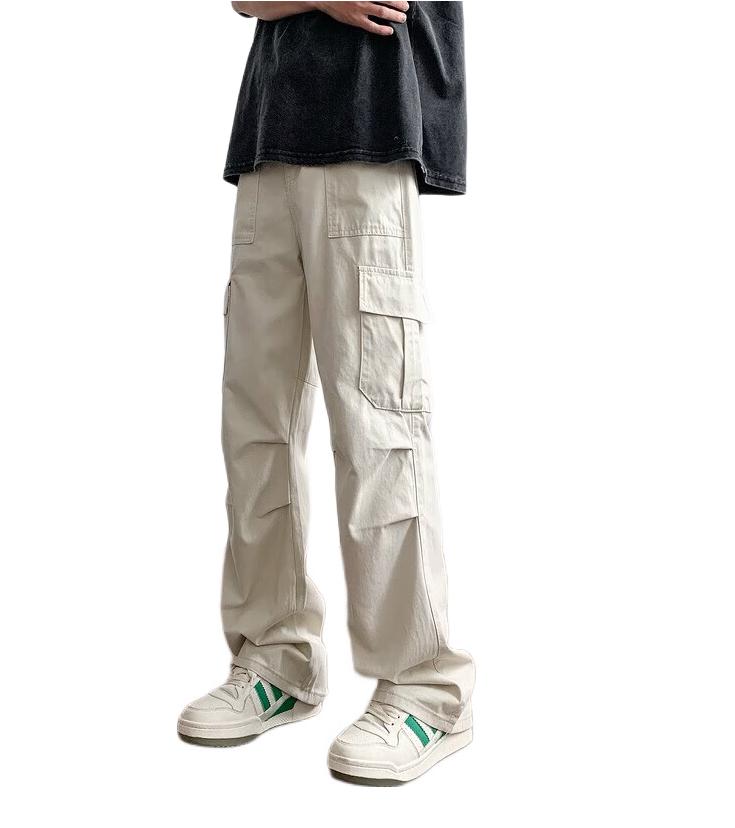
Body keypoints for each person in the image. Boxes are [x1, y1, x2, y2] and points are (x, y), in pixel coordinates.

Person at [178, 1, 475, 785]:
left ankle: (426, 689)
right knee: (255, 421)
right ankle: (275, 658)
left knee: (378, 422)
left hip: (368, 134)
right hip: (268, 140)